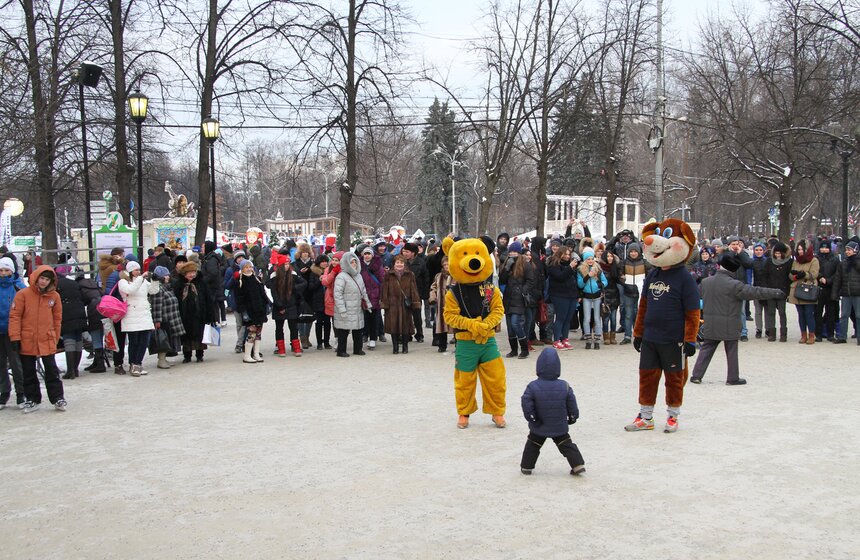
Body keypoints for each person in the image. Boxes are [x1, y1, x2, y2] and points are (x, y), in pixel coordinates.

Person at [690, 253, 785, 385]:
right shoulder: (735, 285)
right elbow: (755, 291)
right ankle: (732, 378)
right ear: (733, 270)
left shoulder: (706, 282)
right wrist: (775, 292)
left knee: (707, 348)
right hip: (730, 324)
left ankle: (696, 375)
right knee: (731, 350)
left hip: (711, 323)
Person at [520, 347, 585, 476]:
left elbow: (526, 403)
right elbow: (571, 402)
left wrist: (532, 418)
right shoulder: (564, 385)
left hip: (539, 424)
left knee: (533, 444)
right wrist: (573, 416)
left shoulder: (532, 386)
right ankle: (577, 465)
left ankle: (526, 466)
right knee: (566, 444)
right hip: (559, 424)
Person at [8, 266, 65, 413]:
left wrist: (56, 336)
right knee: (28, 371)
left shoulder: (54, 296)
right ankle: (32, 398)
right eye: (42, 278)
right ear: (36, 278)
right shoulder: (23, 294)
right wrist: (15, 337)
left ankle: (57, 397)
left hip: (47, 338)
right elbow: (15, 317)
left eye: (47, 279)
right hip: (27, 338)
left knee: (51, 370)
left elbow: (57, 319)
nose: (44, 282)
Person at [117, 261, 160, 376]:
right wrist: (141, 278)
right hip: (131, 316)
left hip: (144, 315)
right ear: (130, 271)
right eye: (136, 270)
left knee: (144, 342)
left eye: (139, 269)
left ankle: (138, 363)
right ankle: (133, 364)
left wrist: (155, 280)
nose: (138, 272)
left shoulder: (142, 281)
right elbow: (131, 290)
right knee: (134, 342)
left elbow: (153, 291)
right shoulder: (123, 282)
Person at [174, 261, 215, 363]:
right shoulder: (179, 284)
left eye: (194, 272)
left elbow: (208, 298)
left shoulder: (201, 283)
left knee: (199, 335)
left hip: (200, 314)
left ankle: (199, 355)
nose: (192, 274)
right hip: (185, 314)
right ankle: (187, 356)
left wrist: (211, 314)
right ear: (184, 274)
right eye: (189, 273)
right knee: (186, 336)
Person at [500, 241, 535, 359]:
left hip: (519, 298)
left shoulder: (525, 264)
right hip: (509, 297)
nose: (513, 253)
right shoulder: (507, 263)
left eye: (515, 251)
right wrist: (507, 268)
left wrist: (522, 291)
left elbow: (530, 280)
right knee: (510, 326)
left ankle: (524, 349)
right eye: (511, 251)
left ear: (519, 253)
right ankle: (513, 350)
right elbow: (502, 280)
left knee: (515, 323)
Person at [333, 252, 372, 358]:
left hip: (357, 307)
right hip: (346, 307)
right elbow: (338, 294)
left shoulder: (359, 275)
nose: (354, 264)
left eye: (355, 261)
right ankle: (341, 350)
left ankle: (358, 349)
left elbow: (363, 291)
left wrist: (368, 304)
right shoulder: (341, 277)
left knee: (358, 328)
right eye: (351, 262)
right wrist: (342, 309)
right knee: (343, 330)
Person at [267, 254, 306, 357]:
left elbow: (304, 283)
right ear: (280, 265)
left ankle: (296, 347)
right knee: (279, 328)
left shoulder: (292, 274)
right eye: (285, 264)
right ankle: (281, 349)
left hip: (291, 305)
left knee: (293, 327)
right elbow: (273, 293)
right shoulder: (274, 276)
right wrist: (279, 306)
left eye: (288, 264)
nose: (287, 266)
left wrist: (295, 288)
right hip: (279, 305)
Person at [382, 255, 422, 354]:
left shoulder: (410, 274)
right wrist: (385, 303)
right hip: (392, 304)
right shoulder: (388, 275)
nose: (399, 264)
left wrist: (415, 302)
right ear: (394, 264)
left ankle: (405, 347)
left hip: (405, 304)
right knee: (393, 326)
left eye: (401, 262)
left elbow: (413, 289)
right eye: (397, 262)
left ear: (404, 264)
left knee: (405, 326)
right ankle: (395, 347)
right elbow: (384, 290)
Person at [0, 257, 26, 409]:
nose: (3, 273)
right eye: (1, 270)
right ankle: (4, 392)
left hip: (14, 331)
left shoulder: (18, 287)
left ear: (12, 271)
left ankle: (21, 393)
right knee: (1, 364)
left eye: (6, 270)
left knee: (16, 364)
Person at [148, 265, 185, 369]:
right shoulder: (158, 289)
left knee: (168, 340)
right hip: (164, 320)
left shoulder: (167, 287)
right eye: (165, 276)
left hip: (171, 319)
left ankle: (163, 359)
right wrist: (157, 321)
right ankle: (161, 360)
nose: (168, 277)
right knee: (163, 340)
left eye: (168, 275)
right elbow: (156, 306)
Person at [234, 260, 270, 363]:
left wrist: (267, 304)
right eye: (246, 267)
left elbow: (262, 293)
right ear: (242, 269)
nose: (249, 269)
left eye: (250, 267)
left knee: (258, 333)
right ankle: (247, 355)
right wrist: (243, 312)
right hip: (249, 312)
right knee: (252, 333)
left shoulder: (256, 279)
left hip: (259, 310)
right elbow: (239, 299)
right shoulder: (240, 282)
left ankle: (256, 353)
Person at [546, 246, 579, 350]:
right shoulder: (553, 264)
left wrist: (578, 294)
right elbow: (560, 277)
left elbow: (573, 279)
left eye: (569, 254)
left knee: (568, 318)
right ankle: (556, 340)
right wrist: (570, 267)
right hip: (559, 295)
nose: (568, 256)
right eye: (566, 254)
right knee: (561, 317)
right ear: (560, 254)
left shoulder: (570, 265)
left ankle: (565, 338)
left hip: (571, 294)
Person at [56, 273, 89, 379]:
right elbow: (83, 297)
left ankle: (70, 371)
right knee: (78, 339)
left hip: (66, 313)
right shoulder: (73, 283)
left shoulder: (56, 284)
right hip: (79, 311)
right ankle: (75, 369)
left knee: (69, 339)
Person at [788, 239, 819, 344]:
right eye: (799, 250)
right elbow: (791, 275)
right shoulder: (796, 261)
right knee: (800, 314)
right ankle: (803, 335)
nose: (800, 251)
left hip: (808, 289)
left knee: (809, 313)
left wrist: (804, 274)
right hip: (797, 289)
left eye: (802, 249)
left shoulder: (814, 260)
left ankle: (812, 335)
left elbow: (814, 274)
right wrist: (795, 276)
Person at [618, 242, 650, 344]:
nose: (633, 253)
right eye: (631, 251)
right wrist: (624, 283)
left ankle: (638, 335)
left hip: (641, 292)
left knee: (639, 314)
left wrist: (645, 285)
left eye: (635, 251)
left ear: (639, 252)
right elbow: (619, 275)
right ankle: (627, 336)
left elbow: (650, 275)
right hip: (628, 292)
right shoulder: (624, 262)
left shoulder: (644, 262)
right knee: (628, 315)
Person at [576, 248, 607, 350]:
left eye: (592, 258)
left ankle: (597, 340)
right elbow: (580, 284)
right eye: (588, 259)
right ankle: (588, 339)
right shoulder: (580, 270)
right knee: (587, 319)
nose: (590, 261)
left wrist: (599, 285)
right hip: (586, 297)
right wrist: (588, 276)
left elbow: (605, 281)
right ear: (585, 260)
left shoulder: (598, 269)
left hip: (597, 297)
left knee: (597, 319)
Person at [762, 241, 792, 342]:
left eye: (779, 253)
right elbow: (765, 275)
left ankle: (783, 334)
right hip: (771, 291)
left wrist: (787, 292)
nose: (777, 255)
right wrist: (766, 289)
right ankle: (772, 334)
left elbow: (789, 278)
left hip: (782, 291)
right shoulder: (769, 261)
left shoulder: (788, 262)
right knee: (771, 312)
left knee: (782, 313)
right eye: (776, 253)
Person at [831, 240, 860, 344]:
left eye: (849, 250)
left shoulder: (858, 262)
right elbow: (837, 279)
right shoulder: (843, 263)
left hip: (858, 294)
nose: (847, 252)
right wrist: (835, 293)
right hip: (846, 294)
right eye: (846, 250)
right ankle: (842, 337)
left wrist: (855, 262)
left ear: (855, 250)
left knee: (858, 316)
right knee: (844, 315)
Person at [401, 242, 429, 343]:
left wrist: (425, 294)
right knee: (405, 315)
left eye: (407, 251)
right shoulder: (401, 262)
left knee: (417, 315)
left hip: (417, 293)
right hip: (404, 293)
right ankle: (407, 334)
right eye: (404, 251)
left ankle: (419, 334)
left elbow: (426, 279)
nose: (405, 253)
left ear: (413, 253)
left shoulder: (421, 263)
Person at [359, 246, 385, 350]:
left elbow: (382, 280)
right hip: (363, 295)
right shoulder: (359, 265)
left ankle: (373, 338)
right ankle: (365, 334)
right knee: (364, 317)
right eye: (365, 254)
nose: (367, 256)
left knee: (374, 318)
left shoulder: (378, 265)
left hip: (375, 295)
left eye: (369, 254)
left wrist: (381, 295)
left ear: (372, 255)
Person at [428, 256, 454, 353]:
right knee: (442, 325)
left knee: (456, 325)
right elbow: (433, 287)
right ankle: (442, 345)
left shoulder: (456, 275)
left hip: (454, 305)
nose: (446, 266)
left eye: (448, 264)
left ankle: (459, 345)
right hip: (441, 304)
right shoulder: (438, 276)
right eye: (444, 264)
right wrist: (432, 297)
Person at [815, 239, 839, 341]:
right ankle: (818, 334)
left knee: (831, 312)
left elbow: (838, 273)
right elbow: (814, 270)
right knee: (818, 312)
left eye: (826, 248)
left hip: (830, 288)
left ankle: (830, 334)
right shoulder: (816, 258)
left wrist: (828, 280)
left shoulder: (835, 259)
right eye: (822, 248)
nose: (824, 250)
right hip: (819, 288)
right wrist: (820, 277)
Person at [224, 250, 247, 353]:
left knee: (246, 323)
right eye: (238, 258)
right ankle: (241, 343)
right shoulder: (230, 270)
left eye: (242, 257)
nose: (241, 259)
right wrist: (234, 277)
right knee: (239, 323)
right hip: (236, 300)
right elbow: (226, 286)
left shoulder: (249, 267)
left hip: (247, 300)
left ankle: (242, 343)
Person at [308, 254, 332, 350]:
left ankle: (326, 342)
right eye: (322, 262)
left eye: (326, 261)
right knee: (319, 322)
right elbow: (311, 287)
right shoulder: (314, 272)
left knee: (327, 322)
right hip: (318, 300)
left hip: (328, 299)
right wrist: (319, 280)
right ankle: (319, 343)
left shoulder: (330, 272)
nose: (324, 263)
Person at [599, 249, 622, 345]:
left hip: (615, 295)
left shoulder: (616, 267)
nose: (610, 258)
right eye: (608, 256)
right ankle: (606, 336)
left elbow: (619, 281)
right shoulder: (600, 268)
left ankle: (613, 336)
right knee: (605, 318)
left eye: (611, 256)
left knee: (613, 318)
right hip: (605, 296)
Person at [750, 242, 769, 338]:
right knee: (758, 310)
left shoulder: (767, 261)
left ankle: (768, 329)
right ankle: (759, 329)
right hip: (756, 288)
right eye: (756, 250)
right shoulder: (751, 262)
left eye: (760, 250)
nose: (758, 252)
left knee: (767, 310)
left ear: (764, 251)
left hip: (766, 288)